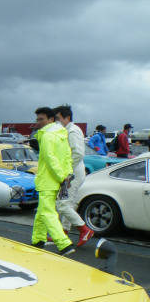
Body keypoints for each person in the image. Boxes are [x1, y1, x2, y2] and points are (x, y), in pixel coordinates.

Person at [31, 107, 74, 255]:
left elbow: (50, 159)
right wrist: (67, 174)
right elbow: (68, 156)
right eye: (37, 119)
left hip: (48, 180)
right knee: (42, 211)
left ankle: (64, 244)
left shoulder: (47, 136)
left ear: (51, 119)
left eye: (41, 119)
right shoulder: (62, 135)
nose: (38, 122)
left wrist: (61, 176)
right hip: (57, 180)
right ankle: (38, 240)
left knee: (47, 212)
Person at [54, 105, 93, 246]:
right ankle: (64, 232)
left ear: (67, 118)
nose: (56, 122)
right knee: (67, 204)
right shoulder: (66, 130)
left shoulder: (72, 131)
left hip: (72, 175)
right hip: (70, 174)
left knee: (62, 204)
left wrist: (66, 171)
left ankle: (84, 229)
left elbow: (78, 153)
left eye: (58, 118)